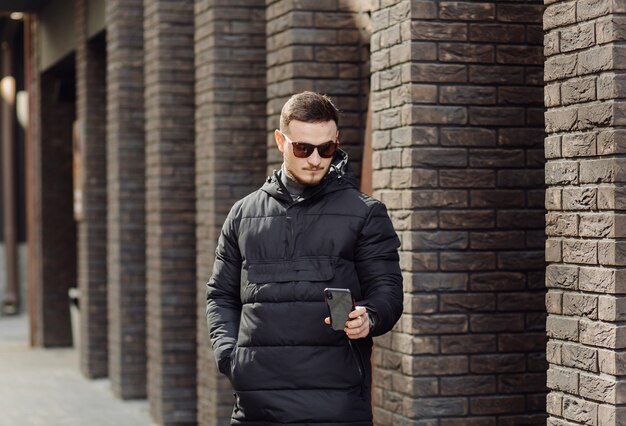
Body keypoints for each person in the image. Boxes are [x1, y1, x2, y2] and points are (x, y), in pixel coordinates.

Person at [206, 91, 403, 424]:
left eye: (326, 149)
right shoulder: (243, 214)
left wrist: (368, 317)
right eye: (303, 148)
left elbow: (388, 293)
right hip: (257, 406)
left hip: (336, 404)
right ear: (280, 141)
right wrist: (230, 357)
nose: (316, 160)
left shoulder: (365, 214)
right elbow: (221, 296)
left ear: (336, 141)